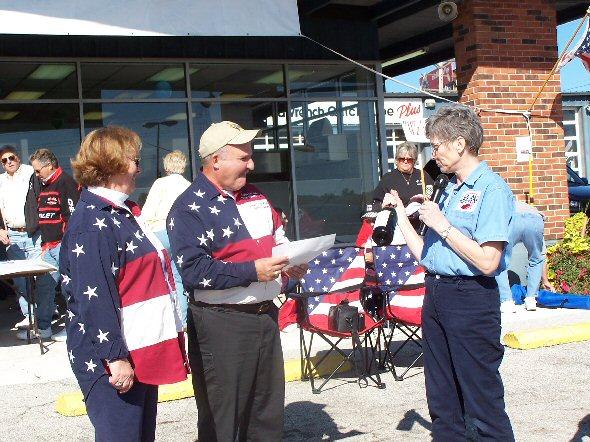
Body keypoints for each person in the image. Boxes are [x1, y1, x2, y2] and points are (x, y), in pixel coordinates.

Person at [167, 120, 307, 441]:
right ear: (216, 160)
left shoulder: (256, 195)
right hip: (221, 323)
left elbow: (278, 238)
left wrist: (291, 262)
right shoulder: (188, 207)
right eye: (244, 157)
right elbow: (194, 271)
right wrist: (252, 271)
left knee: (266, 414)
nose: (252, 164)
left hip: (265, 315)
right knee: (223, 419)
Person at [384, 105, 515, 441]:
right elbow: (427, 256)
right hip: (437, 293)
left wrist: (442, 226)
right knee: (442, 397)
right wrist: (401, 214)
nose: (433, 154)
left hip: (470, 297)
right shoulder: (448, 188)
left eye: (437, 145)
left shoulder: (491, 189)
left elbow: (488, 261)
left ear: (460, 144)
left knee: (481, 400)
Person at [60, 126, 188, 441]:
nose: (138, 169)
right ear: (112, 165)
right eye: (134, 161)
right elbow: (94, 298)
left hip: (137, 347)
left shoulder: (121, 212)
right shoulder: (94, 222)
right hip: (111, 359)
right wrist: (115, 358)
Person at [14, 149, 80, 341]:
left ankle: (74, 328)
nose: (36, 174)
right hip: (47, 247)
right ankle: (43, 329)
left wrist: (66, 246)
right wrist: (44, 245)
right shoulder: (43, 185)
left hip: (63, 246)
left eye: (38, 170)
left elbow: (72, 218)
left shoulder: (66, 183)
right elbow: (43, 217)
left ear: (49, 166)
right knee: (44, 288)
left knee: (69, 289)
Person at [141, 150, 191, 326]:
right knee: (178, 278)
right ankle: (182, 321)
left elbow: (147, 212)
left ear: (166, 166)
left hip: (159, 232)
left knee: (159, 277)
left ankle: (164, 320)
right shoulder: (188, 186)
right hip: (181, 234)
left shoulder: (160, 183)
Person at [0, 145, 44, 330]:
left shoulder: (30, 173)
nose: (9, 162)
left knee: (42, 276)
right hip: (13, 235)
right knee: (20, 281)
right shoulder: (0, 181)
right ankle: (29, 315)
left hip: (35, 233)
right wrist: (0, 229)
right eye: (4, 160)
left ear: (18, 157)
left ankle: (45, 313)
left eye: (11, 158)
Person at [497, 200, 554, 313]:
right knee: (536, 259)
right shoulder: (531, 209)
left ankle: (506, 301)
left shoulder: (504, 203)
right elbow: (541, 256)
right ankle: (531, 299)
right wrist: (545, 280)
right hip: (535, 219)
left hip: (512, 218)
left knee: (500, 260)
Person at [373, 141, 433, 208]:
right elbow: (376, 203)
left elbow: (433, 197)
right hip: (398, 214)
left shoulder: (423, 175)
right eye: (402, 159)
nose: (405, 161)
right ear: (396, 160)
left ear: (414, 161)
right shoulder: (388, 179)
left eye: (409, 159)